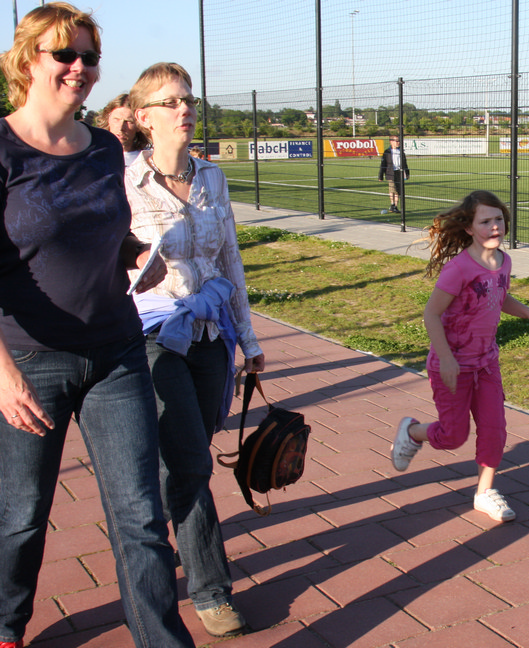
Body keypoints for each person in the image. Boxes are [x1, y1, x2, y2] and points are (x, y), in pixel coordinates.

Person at [0, 5, 194, 648]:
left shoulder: (106, 147)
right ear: (28, 60)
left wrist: (137, 257)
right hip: (30, 361)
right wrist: (2, 374)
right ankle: (5, 626)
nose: (79, 67)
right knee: (21, 518)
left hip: (117, 352)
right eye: (64, 54)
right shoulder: (2, 148)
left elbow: (104, 236)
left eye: (89, 56)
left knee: (141, 518)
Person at [125, 62, 265, 638]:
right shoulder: (123, 182)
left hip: (211, 335)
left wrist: (248, 339)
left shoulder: (213, 178)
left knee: (189, 449)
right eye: (170, 101)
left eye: (188, 99)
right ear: (144, 117)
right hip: (154, 335)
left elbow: (230, 257)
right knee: (191, 462)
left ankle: (155, 520)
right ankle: (210, 590)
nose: (184, 109)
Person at [391, 190, 529, 523]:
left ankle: (484, 492)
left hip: (486, 363)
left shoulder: (504, 261)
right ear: (468, 228)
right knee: (453, 436)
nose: (494, 227)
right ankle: (413, 432)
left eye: (499, 219)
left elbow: (499, 297)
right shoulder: (459, 269)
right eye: (485, 221)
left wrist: (528, 312)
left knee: (495, 429)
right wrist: (447, 358)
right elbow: (431, 314)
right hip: (451, 365)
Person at [96, 93, 148, 165]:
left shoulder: (146, 160)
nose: (121, 127)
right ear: (108, 120)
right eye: (116, 119)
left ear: (139, 125)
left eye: (128, 121)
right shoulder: (95, 157)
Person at [378, 134, 409, 213]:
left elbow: (405, 163)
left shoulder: (401, 151)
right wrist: (380, 175)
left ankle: (395, 206)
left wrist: (407, 173)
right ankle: (392, 204)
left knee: (398, 190)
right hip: (390, 173)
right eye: (396, 141)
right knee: (393, 189)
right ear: (391, 142)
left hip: (399, 172)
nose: (398, 142)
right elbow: (383, 164)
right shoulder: (387, 152)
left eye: (399, 141)